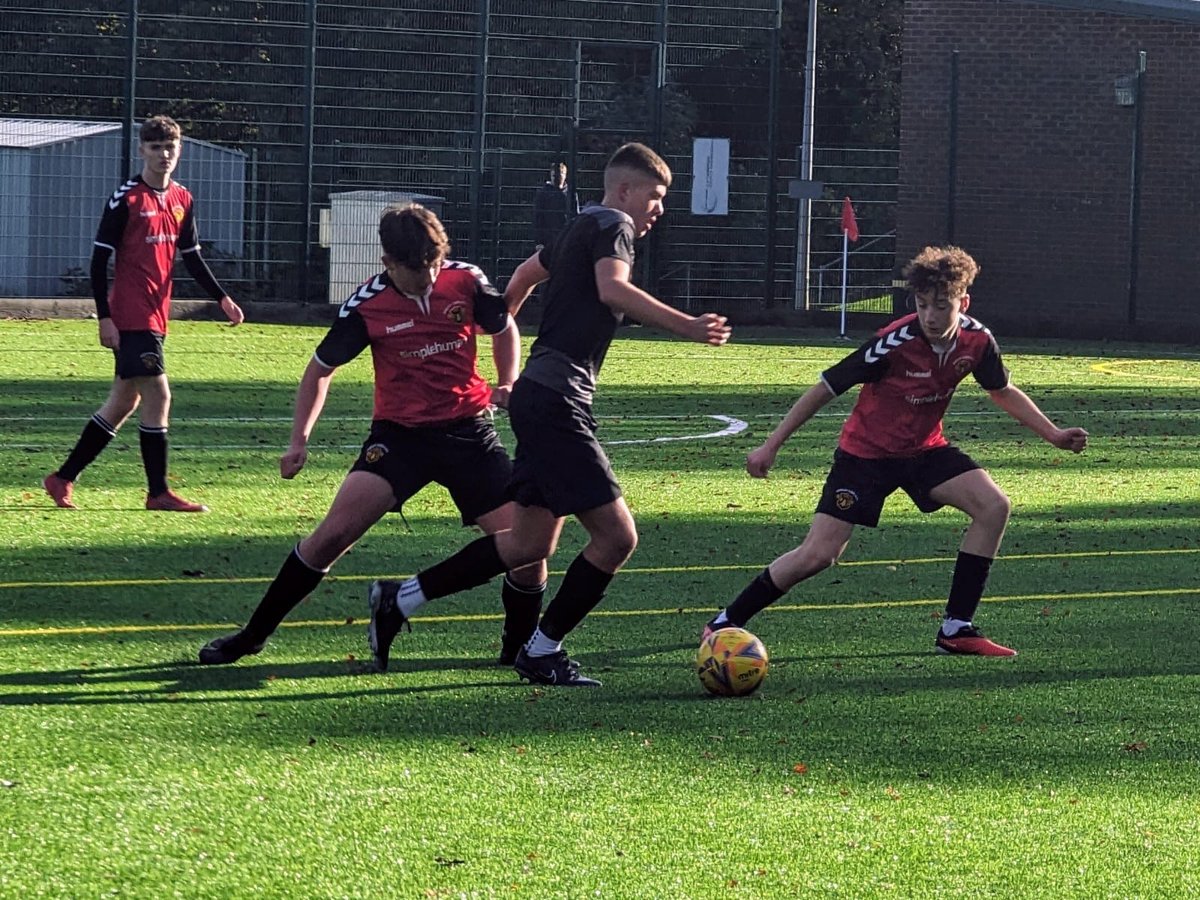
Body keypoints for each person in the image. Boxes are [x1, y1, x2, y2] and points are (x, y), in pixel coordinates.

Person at [368, 143, 732, 686]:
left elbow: (524, 271)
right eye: (654, 197)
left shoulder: (576, 225)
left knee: (527, 544)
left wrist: (500, 318)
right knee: (617, 539)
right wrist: (689, 327)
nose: (658, 209)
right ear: (626, 190)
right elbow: (614, 287)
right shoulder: (613, 224)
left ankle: (401, 597)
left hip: (540, 393)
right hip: (559, 401)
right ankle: (541, 650)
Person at [198, 203, 547, 667]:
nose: (427, 277)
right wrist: (299, 439)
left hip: (469, 433)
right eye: (415, 270)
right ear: (388, 264)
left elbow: (504, 327)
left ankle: (518, 650)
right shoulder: (367, 305)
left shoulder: (465, 280)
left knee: (526, 552)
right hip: (400, 439)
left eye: (433, 264)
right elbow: (320, 371)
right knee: (329, 537)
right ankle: (253, 636)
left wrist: (507, 380)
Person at [702, 245, 1089, 657]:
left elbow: (1002, 390)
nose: (931, 316)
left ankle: (956, 629)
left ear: (964, 302)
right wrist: (770, 445)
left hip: (924, 453)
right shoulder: (892, 343)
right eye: (923, 305)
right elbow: (825, 388)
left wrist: (1053, 434)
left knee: (994, 507)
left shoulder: (977, 341)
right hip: (864, 458)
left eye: (942, 306)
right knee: (819, 555)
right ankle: (726, 621)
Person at [43, 114, 244, 513]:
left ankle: (62, 478)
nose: (164, 155)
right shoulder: (126, 199)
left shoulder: (182, 199)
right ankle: (158, 492)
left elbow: (192, 258)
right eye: (155, 148)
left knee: (122, 403)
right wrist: (105, 317)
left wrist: (222, 298)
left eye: (170, 147)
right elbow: (99, 261)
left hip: (156, 315)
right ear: (142, 150)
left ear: (179, 150)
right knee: (158, 393)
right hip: (130, 316)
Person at [532, 161, 576, 251]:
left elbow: (576, 216)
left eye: (560, 175)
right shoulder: (543, 193)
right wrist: (539, 242)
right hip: (548, 240)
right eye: (554, 175)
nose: (557, 178)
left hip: (566, 239)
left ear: (565, 175)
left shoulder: (571, 194)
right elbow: (538, 218)